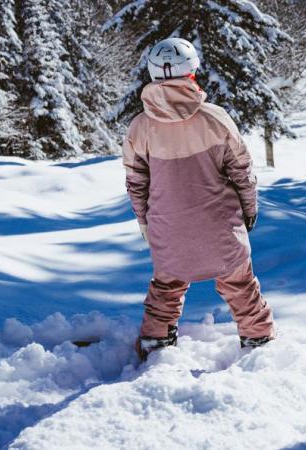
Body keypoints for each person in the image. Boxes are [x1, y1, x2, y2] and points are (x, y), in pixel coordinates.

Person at [122, 38, 275, 361]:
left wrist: (146, 222)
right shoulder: (215, 118)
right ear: (192, 72)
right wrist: (249, 211)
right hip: (219, 222)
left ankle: (155, 343)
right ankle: (258, 341)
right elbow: (242, 171)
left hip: (167, 225)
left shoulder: (140, 127)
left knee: (166, 288)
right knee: (241, 285)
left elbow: (136, 183)